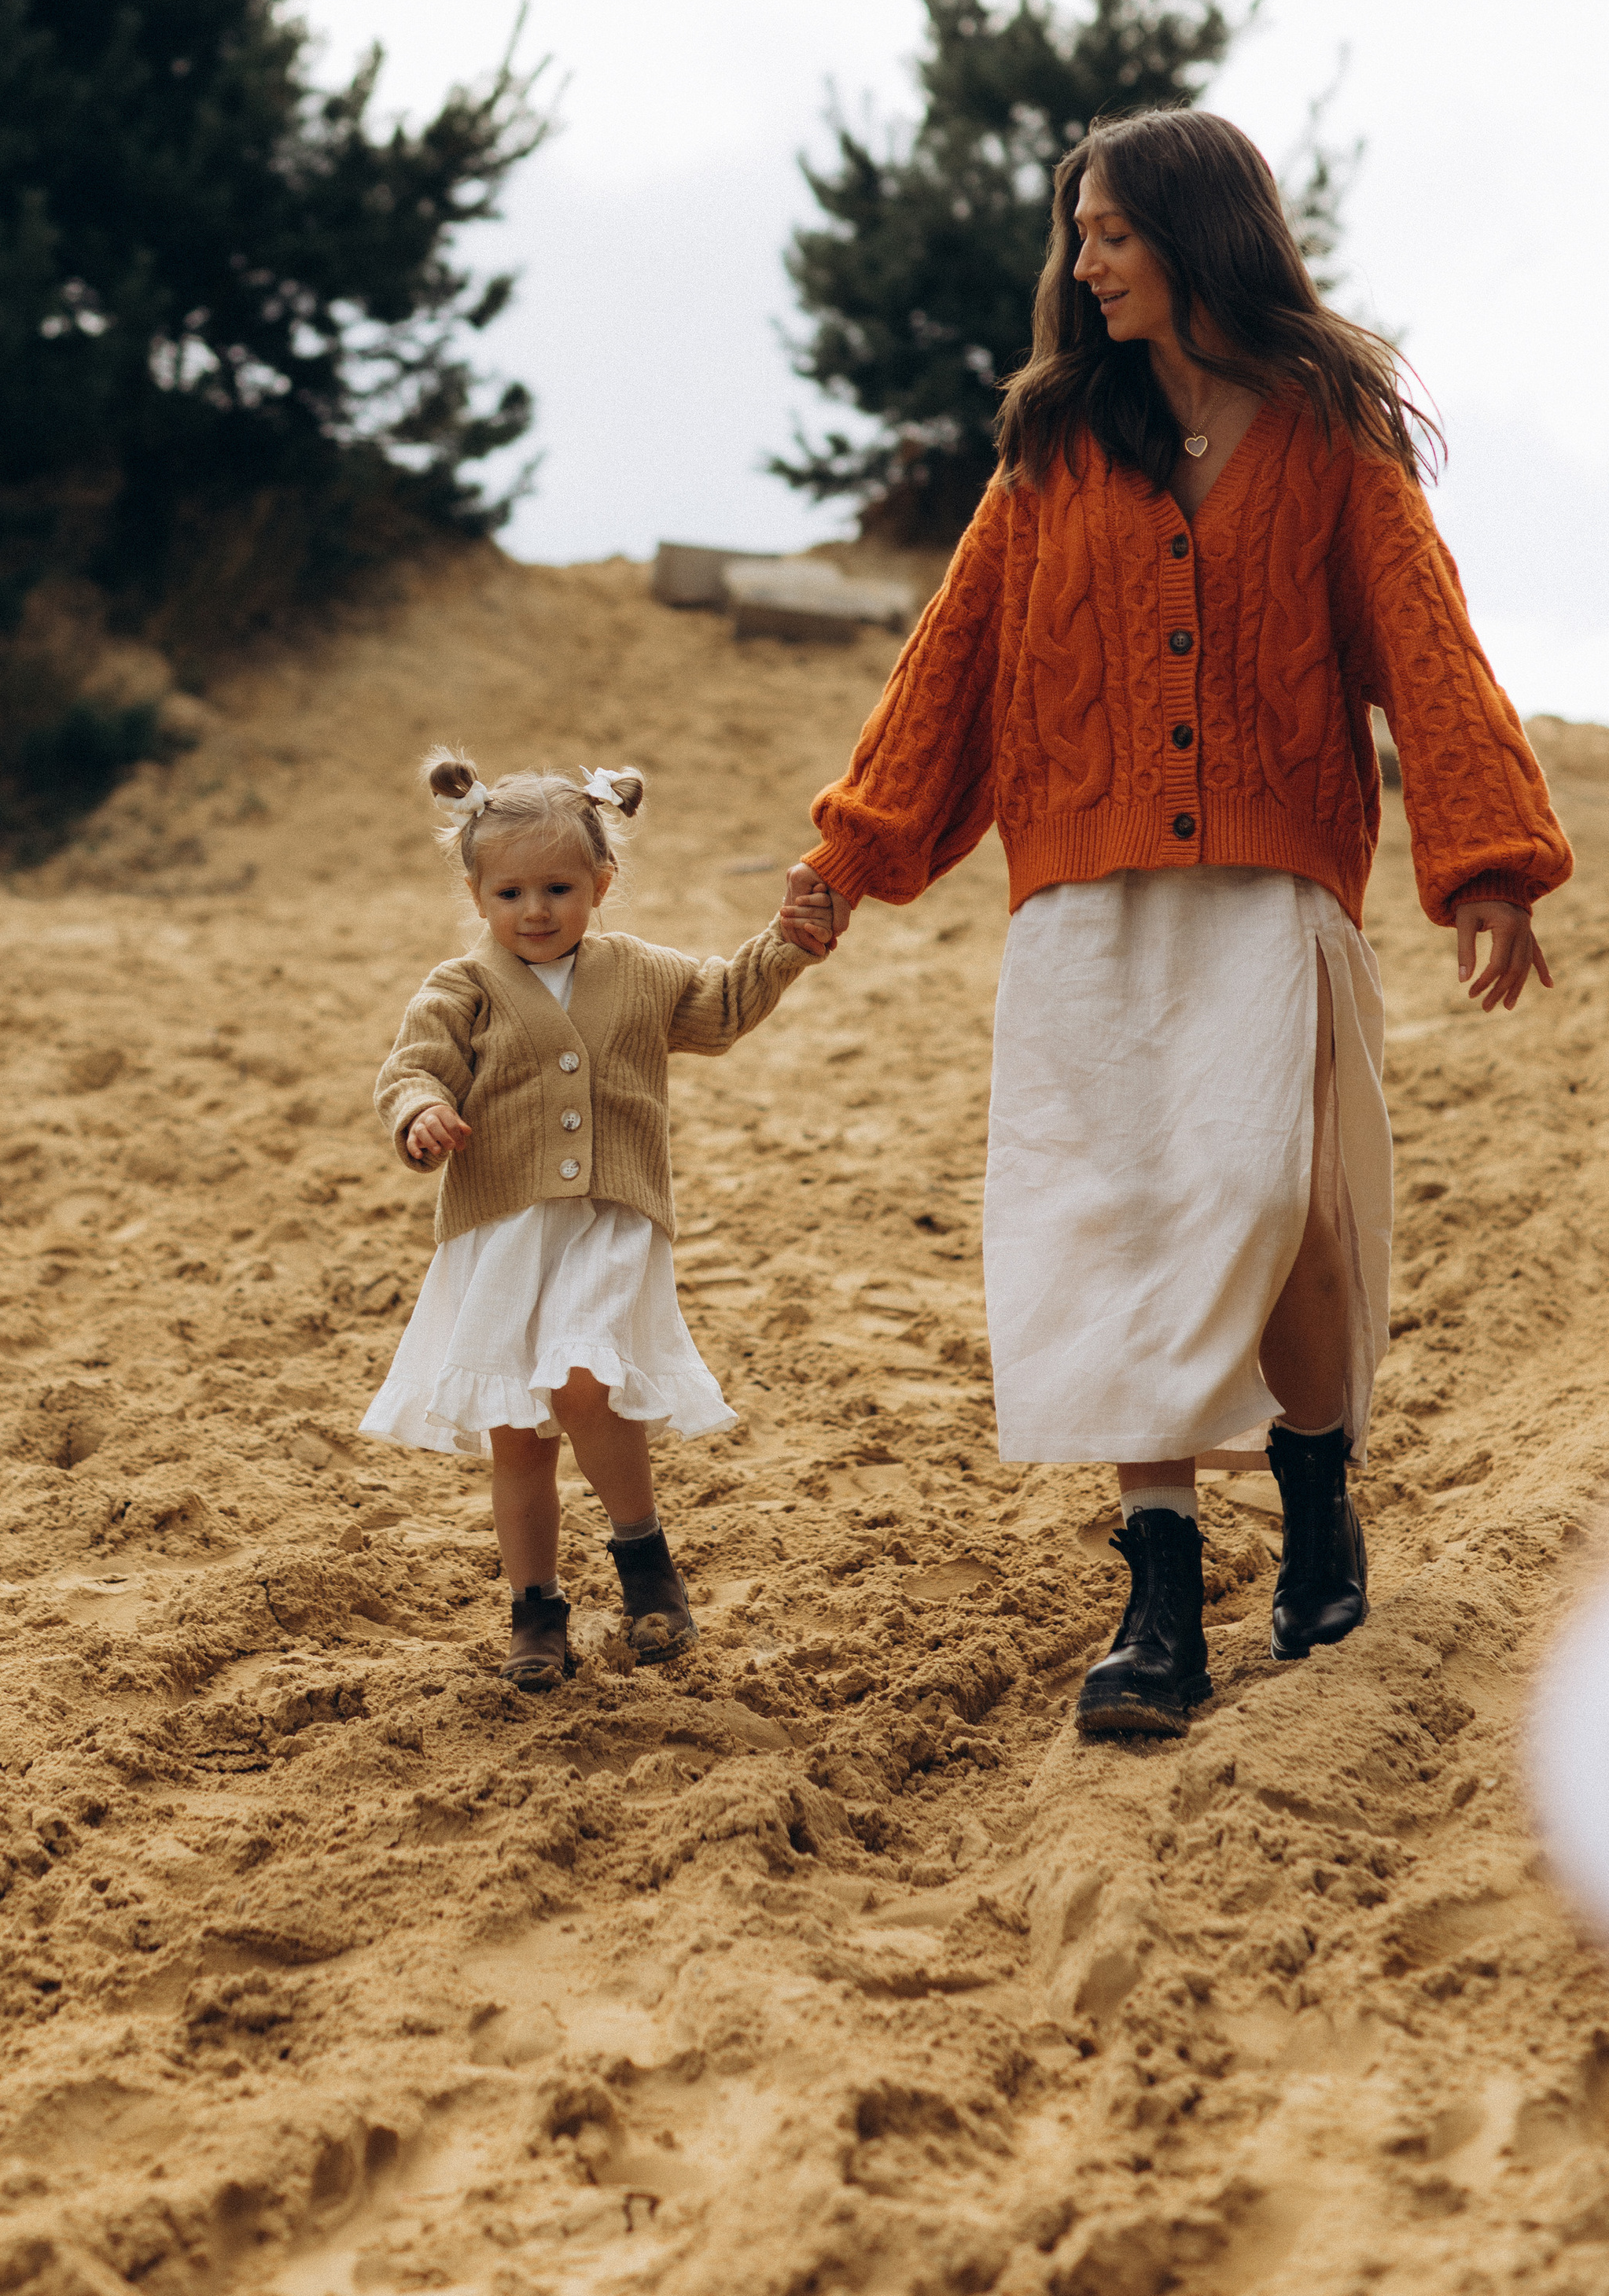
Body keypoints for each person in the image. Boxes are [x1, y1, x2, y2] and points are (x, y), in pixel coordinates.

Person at [779, 107, 1570, 1742]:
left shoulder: (1327, 434)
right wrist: (854, 850)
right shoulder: (1050, 447)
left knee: (1273, 1198)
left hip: (1272, 885)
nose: (1082, 263)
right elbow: (953, 661)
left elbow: (1422, 642)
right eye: (1077, 235)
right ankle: (1155, 1598)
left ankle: (1313, 1490)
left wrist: (1483, 857)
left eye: (1110, 233)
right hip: (1082, 900)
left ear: (1198, 237)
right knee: (1117, 1218)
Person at [366, 751, 818, 1692]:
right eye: (512, 892)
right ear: (477, 893)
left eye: (560, 887)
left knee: (581, 1384)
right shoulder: (463, 986)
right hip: (501, 1233)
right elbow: (411, 1070)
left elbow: (724, 1006)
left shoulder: (640, 972)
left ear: (600, 885)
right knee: (518, 1436)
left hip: (610, 1219)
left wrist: (788, 941)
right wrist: (417, 1116)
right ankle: (536, 1612)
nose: (536, 910)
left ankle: (642, 1558)